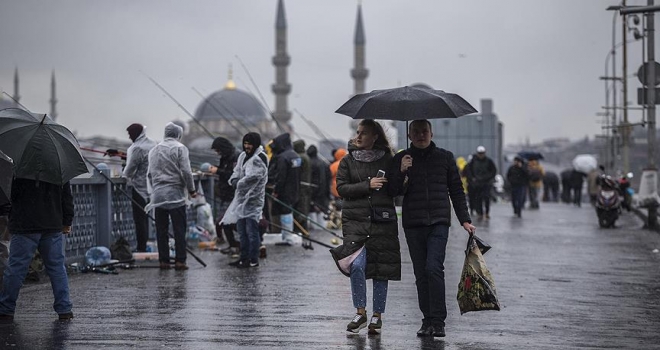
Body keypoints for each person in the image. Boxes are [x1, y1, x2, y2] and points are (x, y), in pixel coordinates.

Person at [387, 119, 475, 338]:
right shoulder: (402, 158)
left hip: (438, 221)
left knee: (433, 268)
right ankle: (427, 320)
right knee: (420, 273)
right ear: (409, 136)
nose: (420, 135)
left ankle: (438, 320)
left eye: (424, 131)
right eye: (415, 132)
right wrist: (401, 170)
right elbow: (393, 191)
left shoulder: (444, 157)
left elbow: (456, 189)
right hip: (413, 223)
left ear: (431, 133)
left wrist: (464, 219)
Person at [330, 119, 400, 335]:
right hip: (355, 221)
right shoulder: (347, 161)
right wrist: (367, 185)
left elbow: (397, 190)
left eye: (364, 133)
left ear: (375, 137)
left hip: (382, 221)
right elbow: (341, 188)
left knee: (381, 269)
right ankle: (360, 312)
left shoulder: (389, 160)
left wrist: (403, 172)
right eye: (357, 133)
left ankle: (377, 316)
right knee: (357, 265)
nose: (358, 137)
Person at [0, 178, 74, 321]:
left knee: (16, 268)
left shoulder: (18, 164)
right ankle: (64, 309)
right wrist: (67, 221)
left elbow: (8, 195)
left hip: (24, 224)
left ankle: (6, 308)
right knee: (57, 268)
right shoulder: (58, 164)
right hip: (52, 223)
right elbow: (66, 196)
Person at [145, 122, 196, 270]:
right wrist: (191, 190)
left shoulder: (154, 150)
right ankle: (180, 261)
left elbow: (149, 174)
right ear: (178, 135)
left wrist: (156, 189)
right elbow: (186, 171)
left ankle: (164, 261)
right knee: (179, 229)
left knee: (161, 230)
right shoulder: (180, 149)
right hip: (176, 195)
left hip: (159, 196)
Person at [222, 132, 269, 268]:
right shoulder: (243, 156)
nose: (247, 146)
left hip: (253, 200)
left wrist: (238, 183)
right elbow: (236, 172)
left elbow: (252, 178)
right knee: (242, 231)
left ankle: (253, 259)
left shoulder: (260, 158)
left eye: (249, 144)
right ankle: (244, 258)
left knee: (252, 231)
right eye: (245, 143)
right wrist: (234, 180)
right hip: (241, 199)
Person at [122, 123, 156, 252]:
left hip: (139, 189)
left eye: (130, 134)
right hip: (152, 188)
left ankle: (141, 247)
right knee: (146, 219)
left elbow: (129, 170)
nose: (130, 137)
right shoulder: (152, 144)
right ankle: (146, 245)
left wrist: (124, 174)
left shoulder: (137, 148)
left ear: (136, 134)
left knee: (139, 220)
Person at [207, 137, 240, 257]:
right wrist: (216, 169)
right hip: (225, 194)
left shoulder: (236, 156)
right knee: (224, 221)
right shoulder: (226, 157)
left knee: (229, 221)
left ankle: (237, 245)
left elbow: (233, 175)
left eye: (218, 150)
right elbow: (224, 170)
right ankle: (232, 245)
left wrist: (217, 171)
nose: (217, 153)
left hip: (232, 195)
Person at [267, 133, 301, 246]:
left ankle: (287, 238)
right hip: (294, 189)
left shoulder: (282, 157)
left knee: (285, 212)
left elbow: (281, 177)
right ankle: (287, 236)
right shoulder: (295, 155)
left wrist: (276, 191)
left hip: (285, 190)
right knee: (289, 211)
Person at [464, 146, 497, 219]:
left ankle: (487, 212)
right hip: (477, 184)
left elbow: (493, 171)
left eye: (482, 153)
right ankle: (480, 213)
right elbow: (468, 171)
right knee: (478, 199)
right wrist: (472, 179)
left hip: (486, 183)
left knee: (486, 198)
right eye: (479, 153)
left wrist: (488, 178)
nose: (481, 155)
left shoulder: (489, 161)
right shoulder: (473, 161)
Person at [293, 139, 312, 249]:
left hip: (301, 187)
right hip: (306, 186)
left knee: (301, 208)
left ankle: (301, 230)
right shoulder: (306, 156)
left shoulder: (300, 157)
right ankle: (304, 230)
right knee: (304, 208)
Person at [307, 145, 331, 228]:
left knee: (312, 210)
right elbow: (328, 178)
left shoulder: (309, 163)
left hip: (313, 191)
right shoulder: (324, 163)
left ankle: (315, 228)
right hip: (324, 192)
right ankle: (322, 229)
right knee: (321, 210)